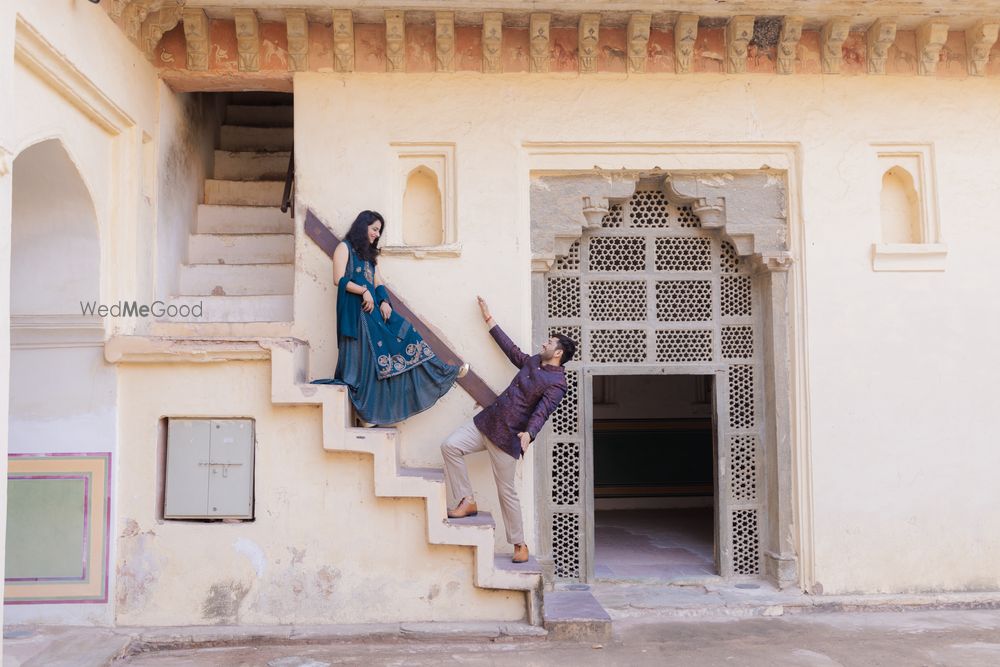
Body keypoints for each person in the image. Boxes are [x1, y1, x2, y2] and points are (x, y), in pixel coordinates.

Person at [441, 296, 576, 563]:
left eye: (549, 342)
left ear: (558, 353)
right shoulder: (533, 361)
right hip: (487, 422)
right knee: (450, 446)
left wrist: (529, 433)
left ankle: (519, 544)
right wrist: (489, 320)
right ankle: (467, 500)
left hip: (508, 438)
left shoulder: (557, 383)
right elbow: (512, 351)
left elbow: (543, 411)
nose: (544, 344)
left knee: (507, 493)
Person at [312, 210, 467, 424]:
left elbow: (378, 282)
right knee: (368, 363)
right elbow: (338, 279)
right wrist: (363, 291)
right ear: (363, 226)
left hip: (373, 312)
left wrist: (384, 301)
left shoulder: (370, 257)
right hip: (356, 314)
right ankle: (367, 414)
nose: (377, 234)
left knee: (404, 336)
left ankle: (442, 372)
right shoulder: (344, 248)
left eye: (379, 231)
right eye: (375, 229)